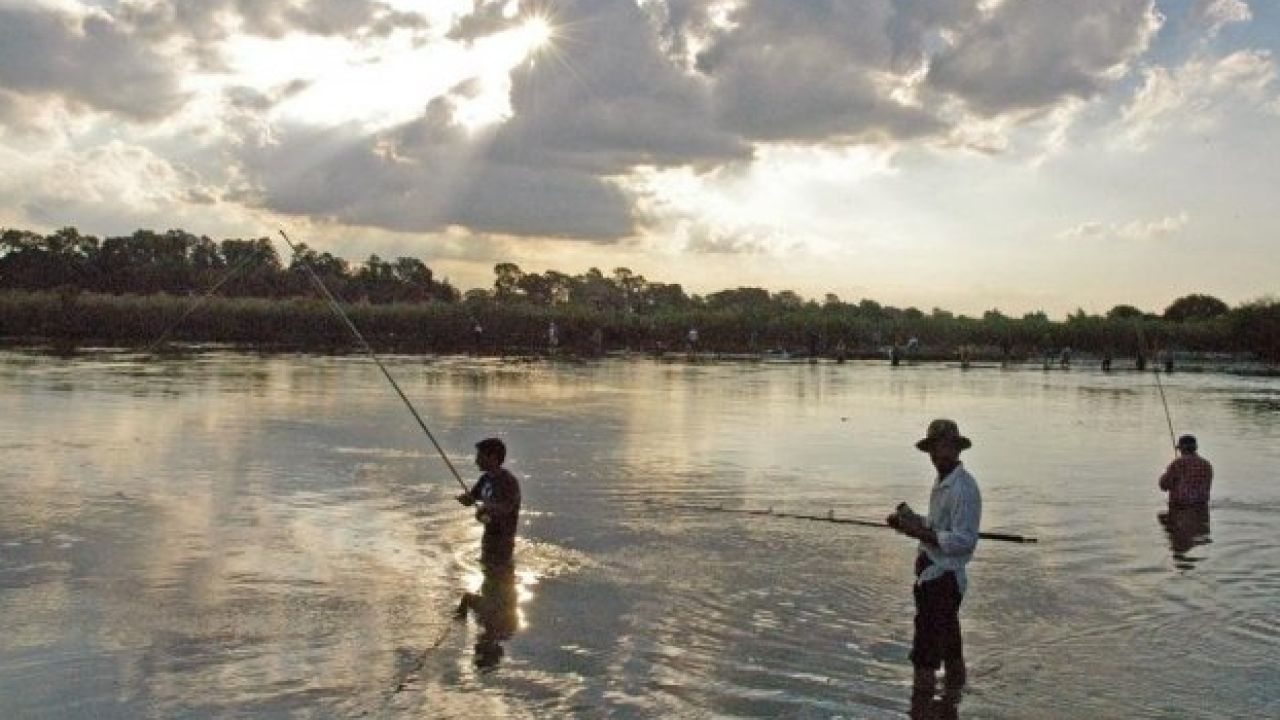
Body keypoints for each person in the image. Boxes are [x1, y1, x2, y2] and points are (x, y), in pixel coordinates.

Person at [887, 419, 982, 697]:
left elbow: (963, 541)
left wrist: (918, 532)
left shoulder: (963, 489)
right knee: (951, 648)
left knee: (924, 658)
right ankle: (954, 699)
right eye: (933, 449)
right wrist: (910, 521)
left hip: (943, 580)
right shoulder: (943, 481)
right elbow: (938, 525)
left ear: (956, 450)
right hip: (934, 577)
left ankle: (922, 706)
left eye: (944, 448)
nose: (937, 455)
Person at [456, 438, 521, 569]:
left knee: (498, 575)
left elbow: (505, 508)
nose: (476, 461)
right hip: (488, 538)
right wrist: (466, 499)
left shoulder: (508, 482)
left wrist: (486, 508)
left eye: (480, 456)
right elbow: (473, 497)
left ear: (493, 457)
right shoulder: (485, 479)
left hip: (503, 543)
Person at [1159, 434, 1212, 508]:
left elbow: (1163, 486)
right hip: (1202, 505)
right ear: (1195, 448)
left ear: (1181, 448)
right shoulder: (1206, 464)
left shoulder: (1177, 463)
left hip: (1180, 506)